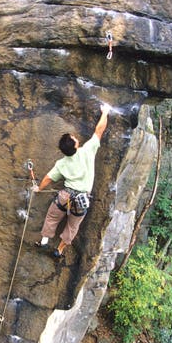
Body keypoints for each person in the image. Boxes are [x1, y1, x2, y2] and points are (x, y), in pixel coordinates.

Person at [33, 104, 111, 258]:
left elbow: (48, 178)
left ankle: (44, 241)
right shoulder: (87, 151)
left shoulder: (61, 163)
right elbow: (99, 130)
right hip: (82, 199)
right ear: (75, 145)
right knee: (72, 226)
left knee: (52, 217)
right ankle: (59, 250)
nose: (76, 137)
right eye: (74, 138)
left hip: (65, 196)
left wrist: (39, 189)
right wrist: (105, 112)